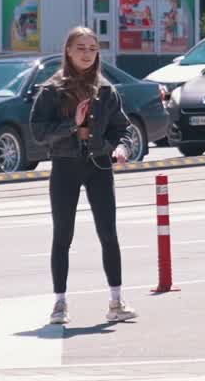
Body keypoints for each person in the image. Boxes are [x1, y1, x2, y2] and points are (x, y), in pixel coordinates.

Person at [30, 26, 135, 327]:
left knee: (108, 233)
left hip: (99, 165)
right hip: (65, 165)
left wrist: (122, 148)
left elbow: (123, 128)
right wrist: (72, 125)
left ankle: (116, 301)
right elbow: (38, 133)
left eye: (92, 48)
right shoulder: (52, 90)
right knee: (63, 235)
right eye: (81, 48)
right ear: (68, 51)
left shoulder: (106, 89)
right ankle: (60, 303)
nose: (87, 54)